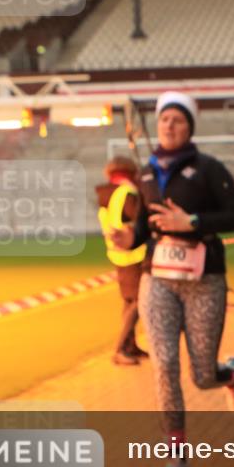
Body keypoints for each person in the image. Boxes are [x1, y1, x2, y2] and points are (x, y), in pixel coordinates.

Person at [108, 91, 234, 467]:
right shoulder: (147, 174)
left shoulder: (208, 169)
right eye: (164, 119)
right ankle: (177, 461)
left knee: (202, 374)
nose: (169, 125)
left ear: (189, 128)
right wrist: (129, 237)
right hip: (158, 281)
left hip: (204, 281)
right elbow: (144, 227)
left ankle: (231, 375)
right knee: (164, 366)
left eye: (178, 119)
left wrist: (193, 222)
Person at [96, 156, 148, 366]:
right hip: (134, 254)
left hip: (117, 254)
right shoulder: (127, 193)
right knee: (138, 300)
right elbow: (141, 221)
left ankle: (130, 345)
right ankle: (120, 348)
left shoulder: (106, 194)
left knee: (128, 300)